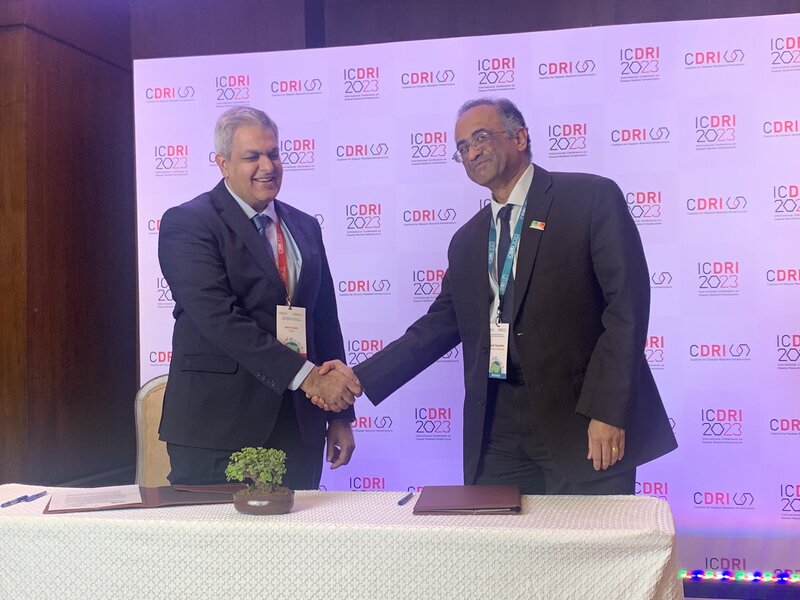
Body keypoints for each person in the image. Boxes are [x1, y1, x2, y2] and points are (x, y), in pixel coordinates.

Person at [317, 97, 676, 494]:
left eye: (481, 137)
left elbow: (626, 310)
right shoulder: (468, 240)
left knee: (588, 535)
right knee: (497, 534)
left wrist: (608, 410)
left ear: (519, 137)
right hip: (497, 428)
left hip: (580, 419)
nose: (472, 152)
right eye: (462, 147)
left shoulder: (590, 199)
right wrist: (360, 378)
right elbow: (437, 327)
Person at [158, 106, 360, 489]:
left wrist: (339, 415)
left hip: (298, 425)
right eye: (252, 156)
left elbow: (323, 320)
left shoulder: (304, 225)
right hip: (218, 429)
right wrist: (308, 379)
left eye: (274, 153)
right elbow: (219, 319)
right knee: (211, 531)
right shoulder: (189, 223)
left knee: (301, 530)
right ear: (223, 164)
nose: (268, 166)